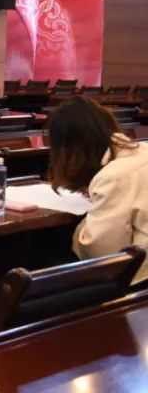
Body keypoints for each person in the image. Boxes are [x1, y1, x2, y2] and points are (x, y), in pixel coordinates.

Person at [47, 96, 148, 284]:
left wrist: (83, 225)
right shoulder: (143, 150)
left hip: (140, 285)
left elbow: (101, 254)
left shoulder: (111, 177)